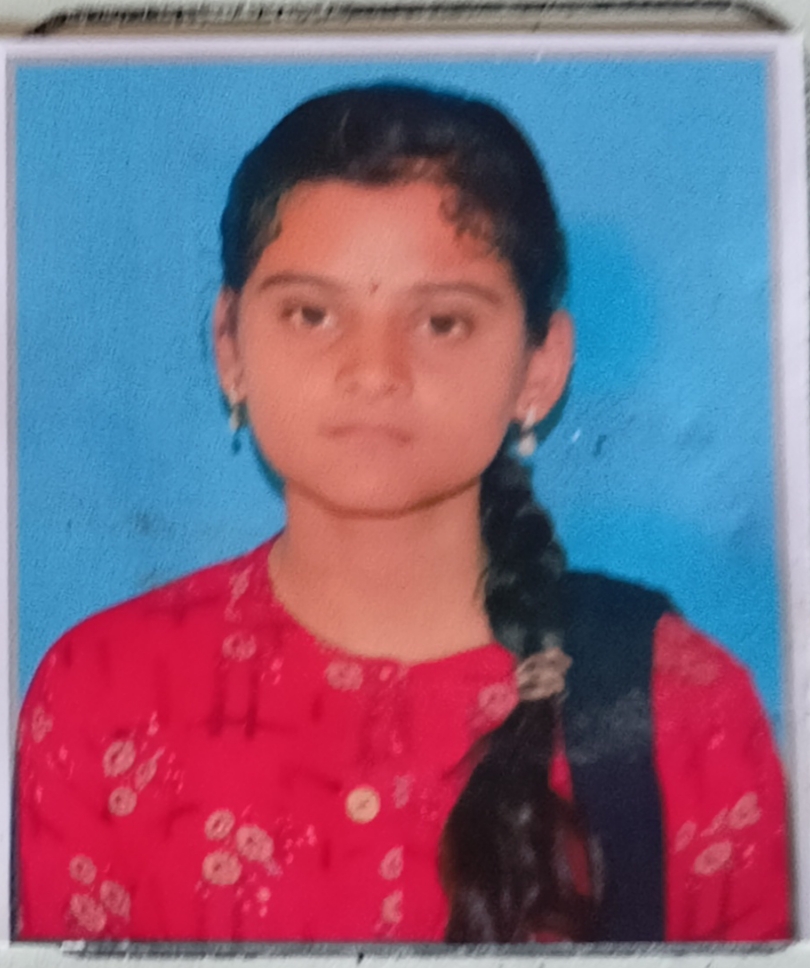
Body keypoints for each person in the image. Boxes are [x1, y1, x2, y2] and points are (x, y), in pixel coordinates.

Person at [15, 83, 790, 944]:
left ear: (539, 367)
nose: (374, 371)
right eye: (312, 314)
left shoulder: (685, 712)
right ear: (230, 346)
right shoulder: (106, 693)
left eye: (443, 323)